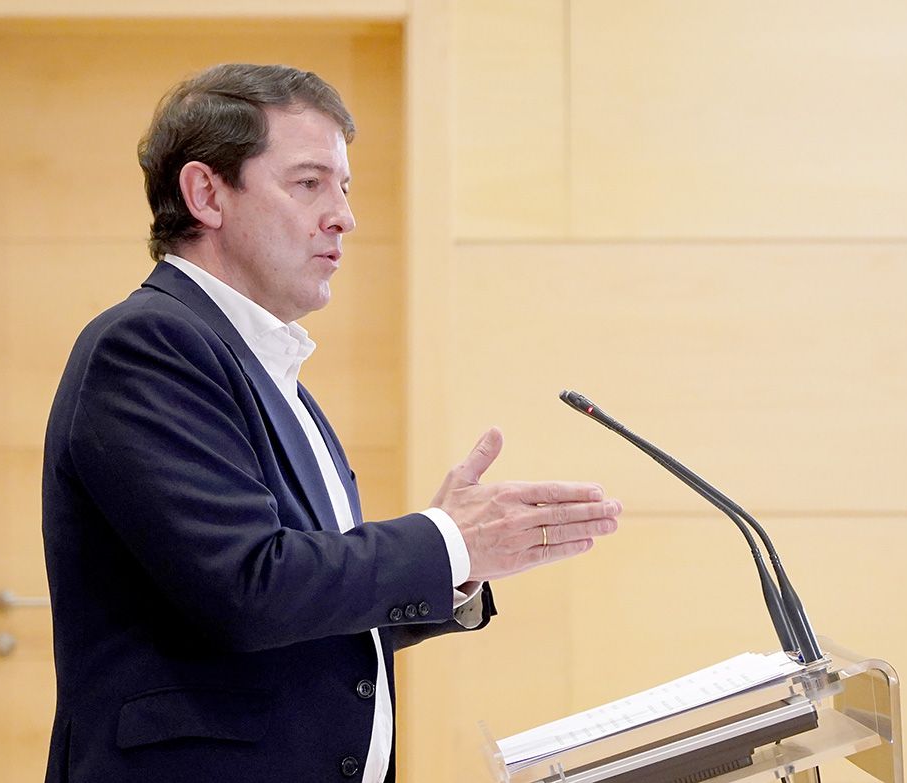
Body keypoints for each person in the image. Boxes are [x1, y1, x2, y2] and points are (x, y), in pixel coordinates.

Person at [41, 63, 620, 782]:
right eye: (310, 183)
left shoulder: (270, 371)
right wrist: (445, 542)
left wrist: (459, 565)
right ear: (206, 194)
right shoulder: (149, 345)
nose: (344, 216)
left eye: (344, 187)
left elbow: (304, 611)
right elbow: (248, 589)